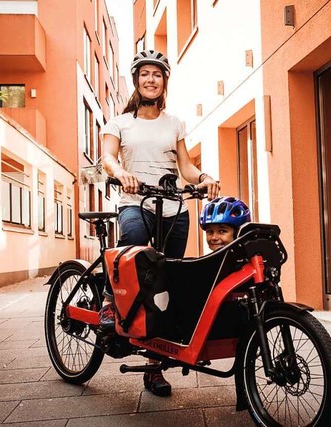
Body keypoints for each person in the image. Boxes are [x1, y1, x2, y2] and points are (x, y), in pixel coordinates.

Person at [99, 49, 220, 397]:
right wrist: (121, 173)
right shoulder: (120, 123)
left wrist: (205, 176)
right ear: (136, 80)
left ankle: (154, 369)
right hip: (136, 200)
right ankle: (110, 299)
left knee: (167, 283)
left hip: (172, 206)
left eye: (157, 74)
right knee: (134, 236)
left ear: (165, 81)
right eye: (144, 74)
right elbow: (107, 157)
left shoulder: (174, 122)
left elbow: (186, 168)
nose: (151, 79)